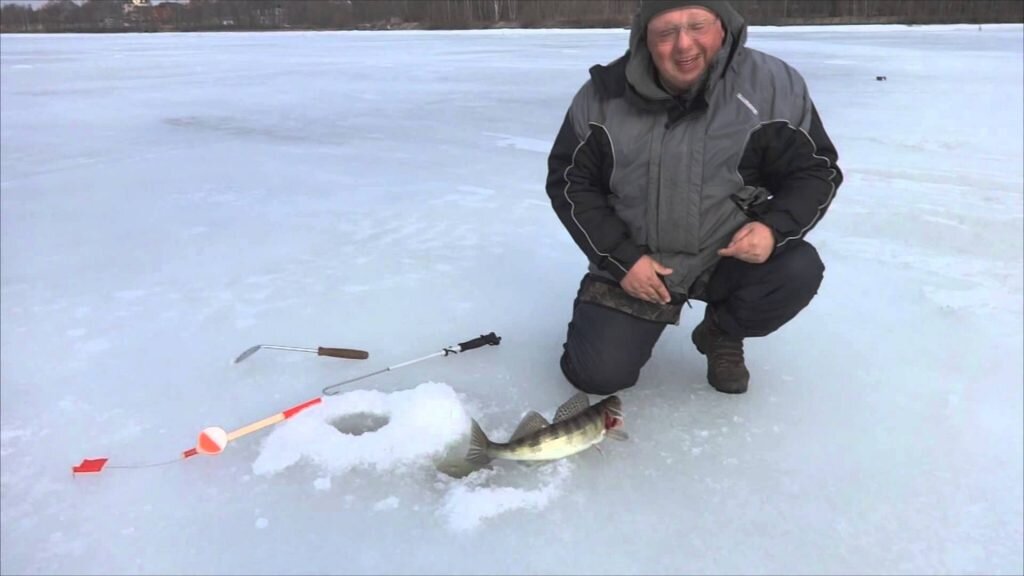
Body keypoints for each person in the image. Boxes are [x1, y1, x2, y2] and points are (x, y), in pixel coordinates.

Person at [546, 0, 842, 395]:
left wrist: (773, 230)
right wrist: (623, 260)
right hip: (638, 261)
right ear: (644, 38)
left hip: (726, 257)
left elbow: (815, 170)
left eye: (697, 25)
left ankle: (721, 331)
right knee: (596, 376)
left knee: (797, 270)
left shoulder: (772, 86)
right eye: (666, 33)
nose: (684, 45)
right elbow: (570, 182)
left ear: (723, 26)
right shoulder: (603, 97)